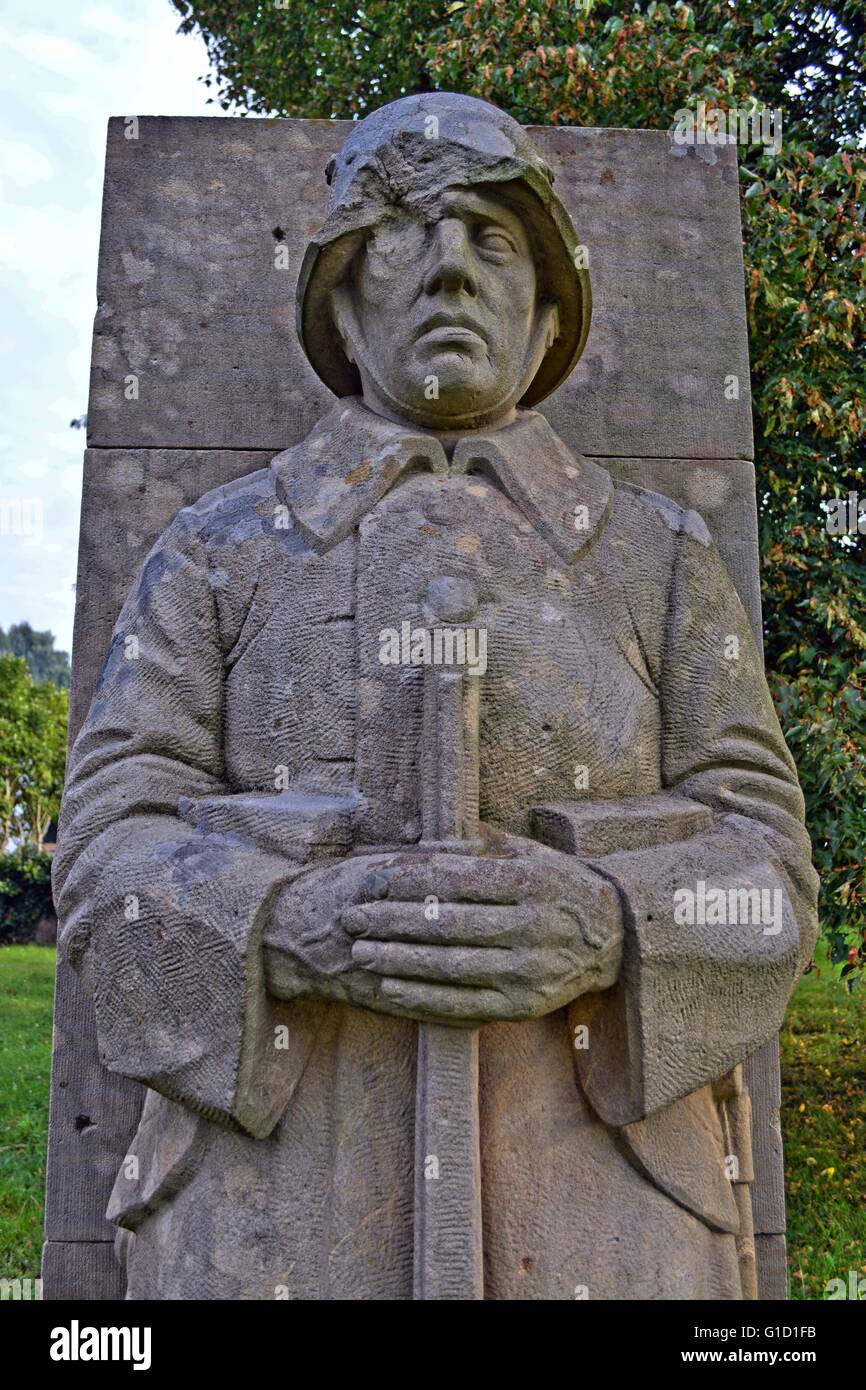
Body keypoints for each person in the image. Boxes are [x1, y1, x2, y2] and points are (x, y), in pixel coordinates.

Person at [54, 92, 817, 1300]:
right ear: (343, 305)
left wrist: (616, 927)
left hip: (606, 1218)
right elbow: (101, 854)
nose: (451, 269)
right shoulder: (216, 551)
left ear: (546, 310)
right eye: (406, 233)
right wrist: (278, 927)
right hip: (271, 1214)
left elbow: (770, 873)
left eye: (492, 240)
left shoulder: (655, 559)